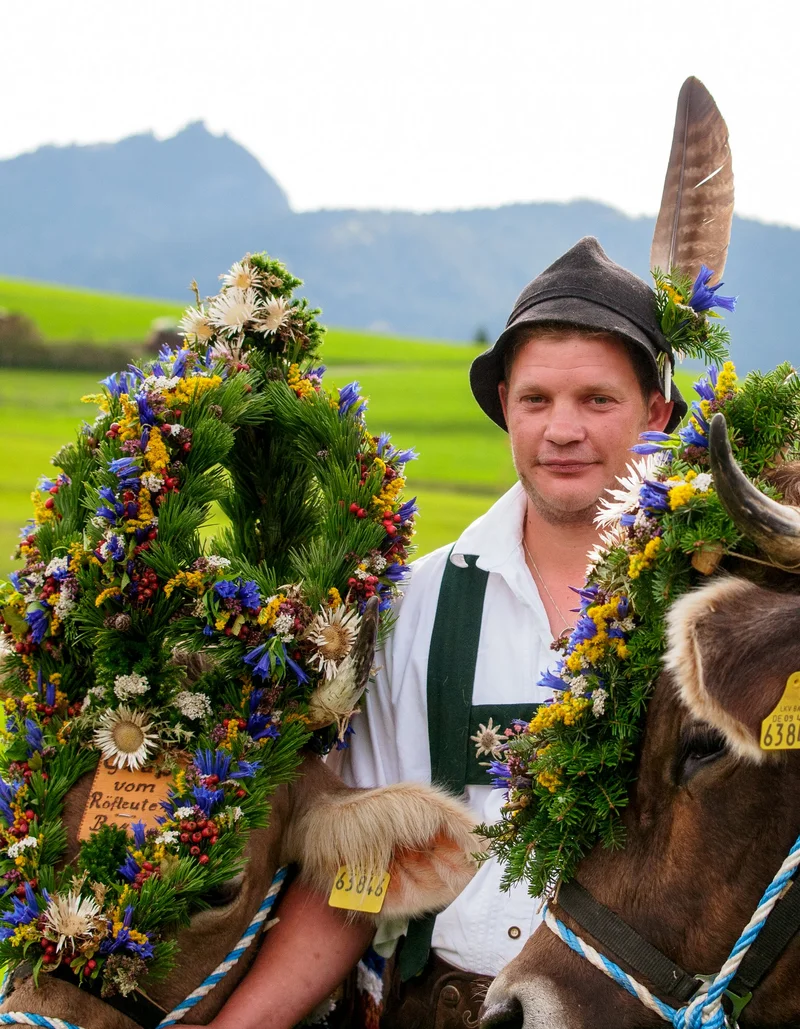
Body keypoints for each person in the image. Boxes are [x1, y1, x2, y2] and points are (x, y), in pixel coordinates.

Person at [186, 235, 684, 1029]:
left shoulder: (710, 601)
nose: (563, 429)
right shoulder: (418, 604)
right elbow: (358, 877)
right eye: (536, 400)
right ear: (505, 410)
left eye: (597, 399)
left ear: (654, 411)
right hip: (440, 1008)